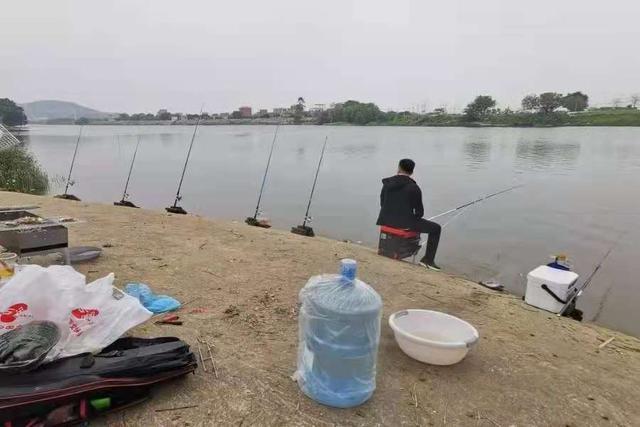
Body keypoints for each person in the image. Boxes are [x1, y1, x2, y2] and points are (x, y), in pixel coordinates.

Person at [376, 158, 441, 270]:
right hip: (404, 223)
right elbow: (420, 213)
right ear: (412, 171)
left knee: (419, 223)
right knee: (436, 228)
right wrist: (413, 220)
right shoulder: (414, 188)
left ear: (399, 168)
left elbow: (382, 203)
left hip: (385, 220)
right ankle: (428, 261)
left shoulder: (387, 184)